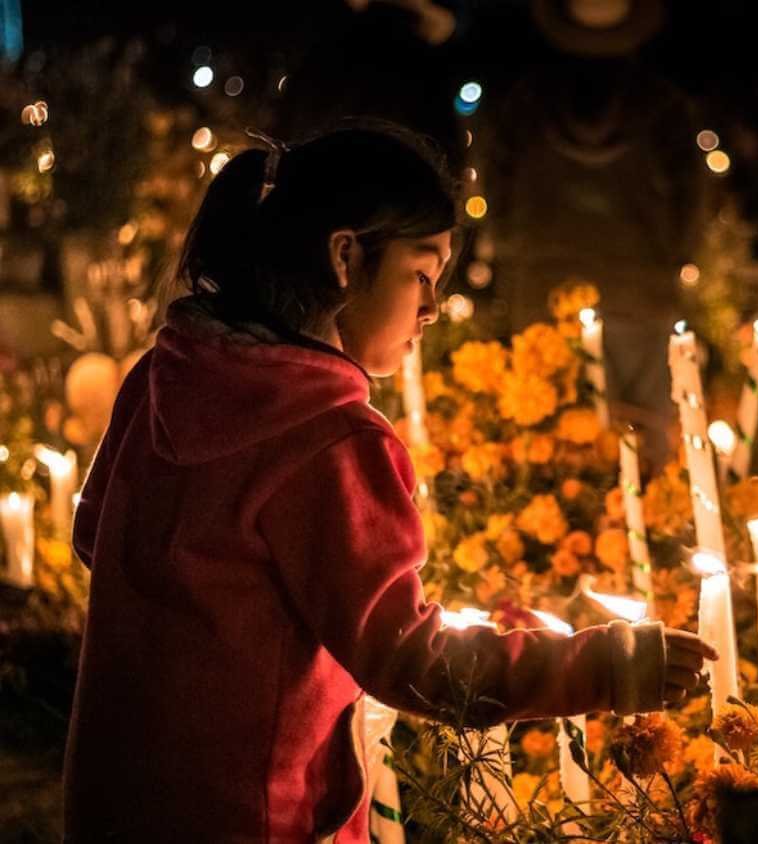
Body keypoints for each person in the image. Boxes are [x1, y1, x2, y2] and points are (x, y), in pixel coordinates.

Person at [63, 121, 716, 842]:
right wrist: (601, 664)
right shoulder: (329, 442)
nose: (433, 308)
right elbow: (413, 662)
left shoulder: (161, 375)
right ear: (345, 256)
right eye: (422, 273)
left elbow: (97, 538)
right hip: (257, 815)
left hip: (116, 799)